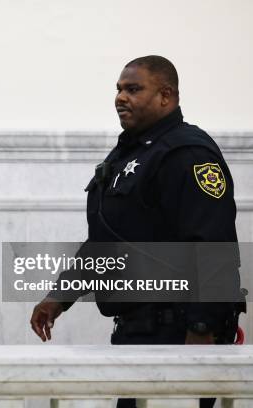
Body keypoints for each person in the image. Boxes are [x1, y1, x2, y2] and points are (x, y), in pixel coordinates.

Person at [30, 56, 244, 408]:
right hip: (139, 333)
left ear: (166, 96)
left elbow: (212, 247)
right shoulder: (130, 154)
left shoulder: (186, 153)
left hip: (181, 336)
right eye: (118, 89)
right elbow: (106, 241)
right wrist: (59, 297)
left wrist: (202, 332)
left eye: (133, 89)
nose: (120, 97)